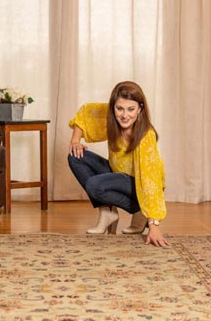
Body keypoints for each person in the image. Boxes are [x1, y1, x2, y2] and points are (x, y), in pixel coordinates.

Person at [68, 81, 168, 247]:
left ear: (140, 109)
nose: (124, 115)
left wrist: (154, 224)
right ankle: (108, 213)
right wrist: (75, 140)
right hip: (118, 174)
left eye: (131, 109)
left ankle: (140, 211)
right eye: (119, 108)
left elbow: (150, 180)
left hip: (140, 184)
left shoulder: (145, 136)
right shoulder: (111, 119)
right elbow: (85, 113)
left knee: (94, 185)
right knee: (75, 157)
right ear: (113, 107)